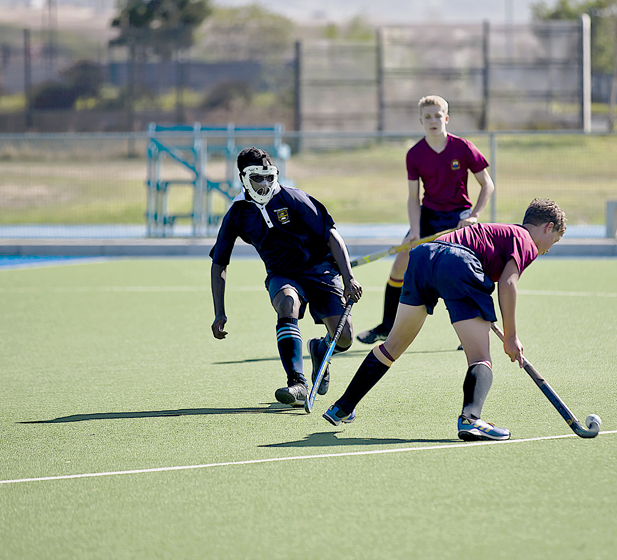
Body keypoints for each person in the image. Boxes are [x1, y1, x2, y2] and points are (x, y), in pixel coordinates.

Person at [323, 198, 566, 441]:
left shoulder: (502, 233)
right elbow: (508, 282)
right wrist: (511, 337)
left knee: (392, 347)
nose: (547, 249)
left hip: (423, 257)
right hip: (458, 262)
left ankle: (342, 407)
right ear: (548, 227)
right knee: (480, 357)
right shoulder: (526, 240)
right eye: (553, 241)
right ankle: (471, 419)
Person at [210, 146, 363, 406]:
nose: (264, 183)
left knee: (345, 337)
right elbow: (219, 264)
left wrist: (348, 278)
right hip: (282, 275)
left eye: (269, 177)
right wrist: (219, 312)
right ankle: (297, 383)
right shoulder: (237, 213)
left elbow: (331, 234)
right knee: (286, 303)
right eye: (257, 178)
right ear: (243, 178)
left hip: (320, 270)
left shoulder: (293, 198)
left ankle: (320, 349)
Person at [357, 94, 495, 345]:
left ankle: (474, 329)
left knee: (465, 271)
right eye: (428, 117)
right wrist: (414, 230)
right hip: (428, 215)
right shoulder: (415, 154)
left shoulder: (463, 147)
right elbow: (413, 197)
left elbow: (487, 185)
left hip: (459, 217)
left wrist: (474, 216)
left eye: (437, 116)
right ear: (421, 121)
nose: (433, 121)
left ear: (446, 118)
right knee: (400, 264)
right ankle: (386, 327)